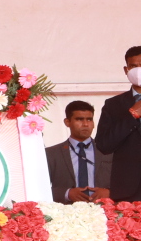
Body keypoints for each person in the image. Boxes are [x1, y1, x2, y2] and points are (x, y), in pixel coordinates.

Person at [95, 46, 141, 203]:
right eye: (134, 66)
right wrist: (132, 115)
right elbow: (104, 145)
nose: (138, 70)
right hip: (126, 190)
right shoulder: (113, 105)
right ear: (126, 69)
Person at [48, 100, 114, 204]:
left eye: (89, 119)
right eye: (79, 119)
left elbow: (128, 183)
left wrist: (110, 192)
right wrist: (67, 193)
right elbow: (38, 187)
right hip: (64, 214)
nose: (85, 124)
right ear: (67, 122)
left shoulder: (110, 151)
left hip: (105, 211)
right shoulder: (51, 154)